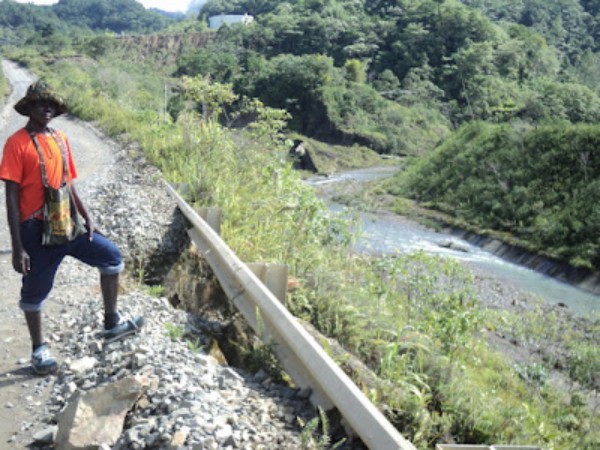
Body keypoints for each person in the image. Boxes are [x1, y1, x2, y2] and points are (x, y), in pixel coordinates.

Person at [0, 79, 143, 375]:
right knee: (34, 293)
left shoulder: (61, 139)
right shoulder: (17, 143)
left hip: (69, 223)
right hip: (35, 230)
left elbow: (69, 182)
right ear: (29, 107)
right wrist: (18, 247)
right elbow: (11, 196)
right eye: (41, 104)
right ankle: (39, 350)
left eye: (52, 105)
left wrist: (88, 217)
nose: (47, 109)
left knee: (111, 258)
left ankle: (111, 322)